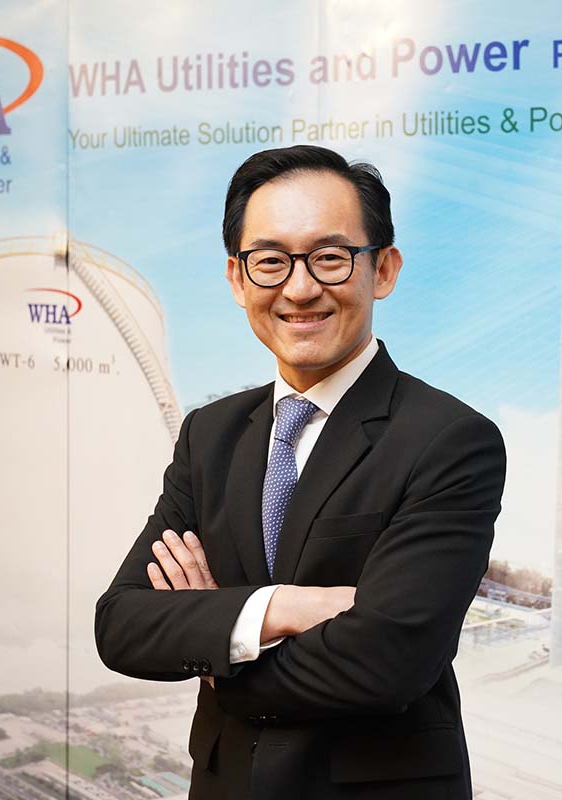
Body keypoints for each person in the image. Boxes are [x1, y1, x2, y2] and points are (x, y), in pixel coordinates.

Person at [94, 144, 507, 800]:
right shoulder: (211, 435)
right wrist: (283, 608)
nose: (300, 287)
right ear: (237, 279)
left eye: (330, 257)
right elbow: (123, 624)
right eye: (270, 261)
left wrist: (220, 650)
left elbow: (389, 662)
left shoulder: (449, 440)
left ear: (383, 269)